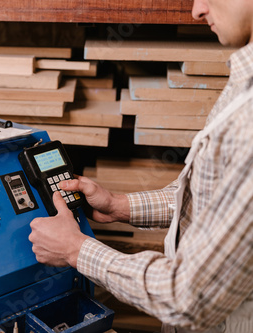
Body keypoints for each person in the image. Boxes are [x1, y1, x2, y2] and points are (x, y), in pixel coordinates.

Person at [28, 0, 253, 332]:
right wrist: (121, 206)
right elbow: (217, 199)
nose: (197, 10)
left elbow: (189, 298)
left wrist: (77, 250)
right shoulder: (243, 83)